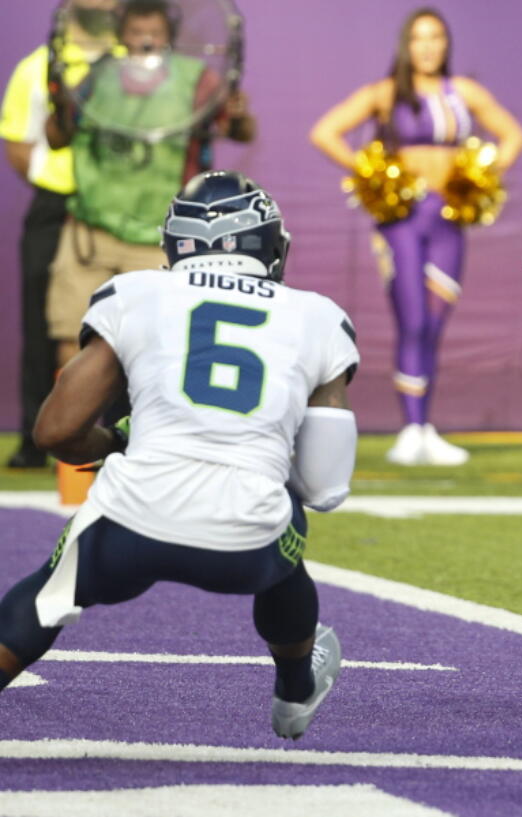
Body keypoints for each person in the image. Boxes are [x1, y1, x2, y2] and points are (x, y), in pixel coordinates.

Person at [0, 171, 359, 741]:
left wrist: (119, 442)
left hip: (130, 522)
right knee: (284, 516)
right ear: (270, 244)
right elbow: (325, 486)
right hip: (250, 544)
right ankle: (295, 688)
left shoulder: (136, 292)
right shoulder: (318, 316)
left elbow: (56, 431)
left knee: (50, 591)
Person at [310, 7, 522, 466]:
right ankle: (410, 429)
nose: (427, 47)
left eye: (436, 38)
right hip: (401, 219)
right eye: (419, 38)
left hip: (446, 218)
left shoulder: (462, 92)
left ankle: (425, 428)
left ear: (446, 45)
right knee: (411, 321)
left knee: (435, 322)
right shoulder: (386, 94)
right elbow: (325, 132)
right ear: (405, 46)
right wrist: (370, 172)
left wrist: (479, 177)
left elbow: (513, 136)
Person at [44, 0, 256, 369]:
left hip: (160, 239)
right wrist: (59, 104)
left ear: (170, 35)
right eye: (137, 33)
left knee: (162, 345)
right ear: (121, 34)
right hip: (90, 235)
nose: (145, 42)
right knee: (71, 335)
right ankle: (74, 427)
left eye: (154, 33)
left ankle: (149, 427)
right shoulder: (96, 75)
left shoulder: (198, 79)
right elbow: (57, 138)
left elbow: (241, 131)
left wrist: (238, 116)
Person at [0, 0, 117, 468]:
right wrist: (58, 186)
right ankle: (37, 437)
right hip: (56, 204)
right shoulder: (37, 67)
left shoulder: (142, 65)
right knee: (45, 323)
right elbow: (18, 143)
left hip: (122, 208)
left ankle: (120, 433)